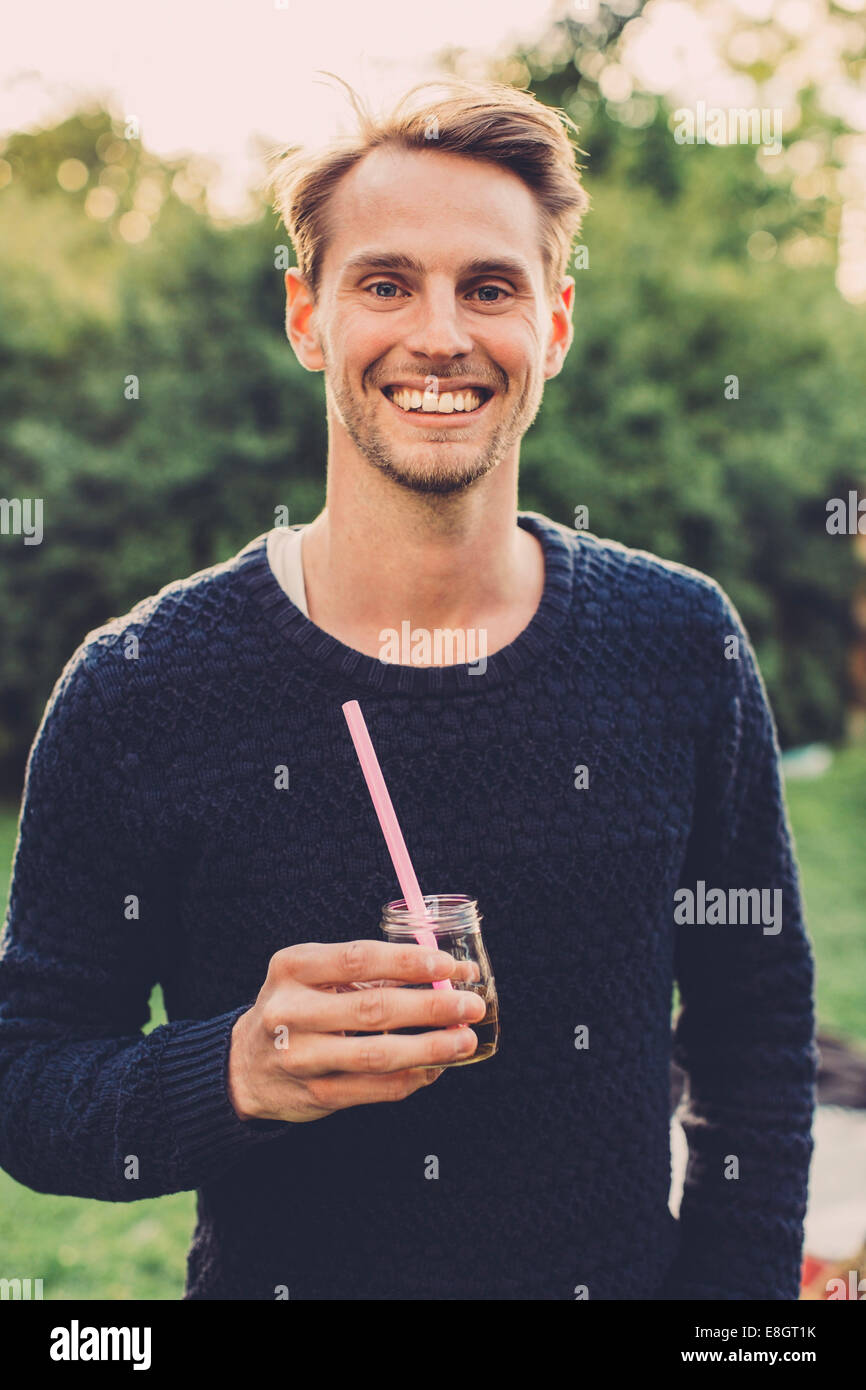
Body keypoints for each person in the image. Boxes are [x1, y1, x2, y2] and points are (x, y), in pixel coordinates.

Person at [0, 76, 816, 1301]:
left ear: (553, 325)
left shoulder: (675, 640)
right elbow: (29, 1085)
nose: (439, 333)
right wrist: (234, 1069)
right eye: (385, 283)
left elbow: (756, 1027)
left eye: (488, 286)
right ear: (306, 317)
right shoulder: (139, 688)